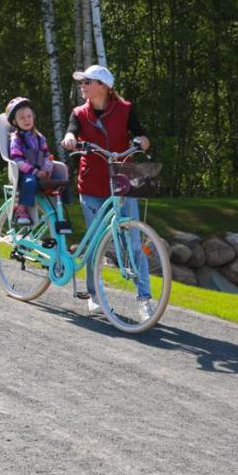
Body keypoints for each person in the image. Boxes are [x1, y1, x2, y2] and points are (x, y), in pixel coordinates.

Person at [60, 64, 154, 320]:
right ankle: (94, 295)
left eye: (87, 82)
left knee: (134, 244)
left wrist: (142, 142)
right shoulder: (79, 113)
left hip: (123, 182)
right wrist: (70, 138)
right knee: (95, 245)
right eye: (81, 83)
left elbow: (142, 136)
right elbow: (72, 131)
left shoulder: (125, 110)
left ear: (103, 86)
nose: (82, 86)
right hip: (92, 186)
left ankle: (145, 299)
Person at [5, 96, 54, 227]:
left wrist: (47, 168)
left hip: (39, 171)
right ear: (15, 121)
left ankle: (59, 209)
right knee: (30, 181)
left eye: (29, 116)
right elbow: (18, 161)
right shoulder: (16, 139)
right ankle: (21, 210)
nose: (26, 120)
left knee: (59, 180)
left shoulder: (39, 137)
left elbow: (46, 155)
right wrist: (35, 172)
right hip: (23, 173)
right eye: (22, 118)